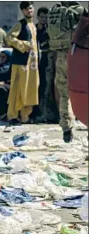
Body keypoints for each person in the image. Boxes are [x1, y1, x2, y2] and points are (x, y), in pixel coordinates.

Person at [48, 1, 87, 142]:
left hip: (61, 56)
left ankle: (66, 126)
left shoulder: (55, 11)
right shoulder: (80, 11)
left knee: (64, 93)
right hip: (77, 56)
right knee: (83, 93)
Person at [6, 2, 39, 126]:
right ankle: (12, 115)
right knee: (17, 88)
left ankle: (25, 116)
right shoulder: (20, 24)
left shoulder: (33, 25)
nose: (28, 11)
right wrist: (24, 45)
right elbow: (9, 37)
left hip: (32, 64)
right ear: (22, 11)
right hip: (21, 63)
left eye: (30, 8)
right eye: (26, 9)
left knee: (30, 89)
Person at [35, 7, 59, 123]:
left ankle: (45, 112)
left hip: (47, 59)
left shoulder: (49, 30)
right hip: (34, 60)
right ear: (38, 17)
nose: (44, 19)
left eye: (46, 17)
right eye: (42, 17)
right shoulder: (33, 29)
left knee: (46, 86)